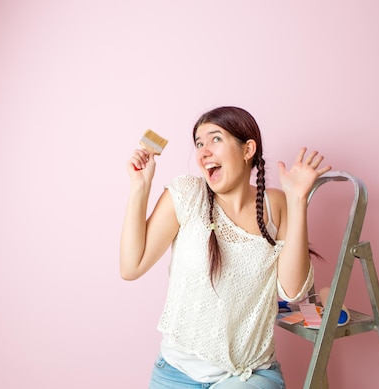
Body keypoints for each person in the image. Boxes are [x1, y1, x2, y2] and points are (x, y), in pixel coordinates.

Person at [120, 106, 331, 388]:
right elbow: (130, 267)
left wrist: (297, 200)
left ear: (248, 149)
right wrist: (140, 185)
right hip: (175, 373)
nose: (203, 151)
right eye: (198, 143)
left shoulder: (275, 204)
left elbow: (292, 291)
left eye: (215, 139)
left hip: (248, 375)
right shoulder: (187, 194)